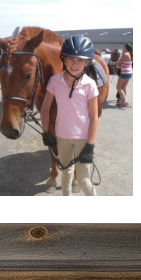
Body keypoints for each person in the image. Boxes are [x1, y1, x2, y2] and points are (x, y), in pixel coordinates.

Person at [40, 35, 99, 196]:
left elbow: (94, 117)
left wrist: (90, 145)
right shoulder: (54, 81)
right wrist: (46, 132)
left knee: (84, 179)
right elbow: (45, 109)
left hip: (83, 139)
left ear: (87, 62)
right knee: (65, 174)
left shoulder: (90, 84)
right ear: (64, 59)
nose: (75, 64)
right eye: (71, 59)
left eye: (80, 60)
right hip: (62, 136)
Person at [115, 43, 133, 107]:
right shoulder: (130, 54)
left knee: (118, 87)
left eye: (124, 46)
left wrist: (114, 63)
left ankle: (125, 100)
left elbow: (118, 63)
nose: (123, 47)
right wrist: (120, 67)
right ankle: (123, 101)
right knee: (123, 87)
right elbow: (127, 64)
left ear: (125, 47)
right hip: (129, 72)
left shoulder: (125, 54)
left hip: (124, 73)